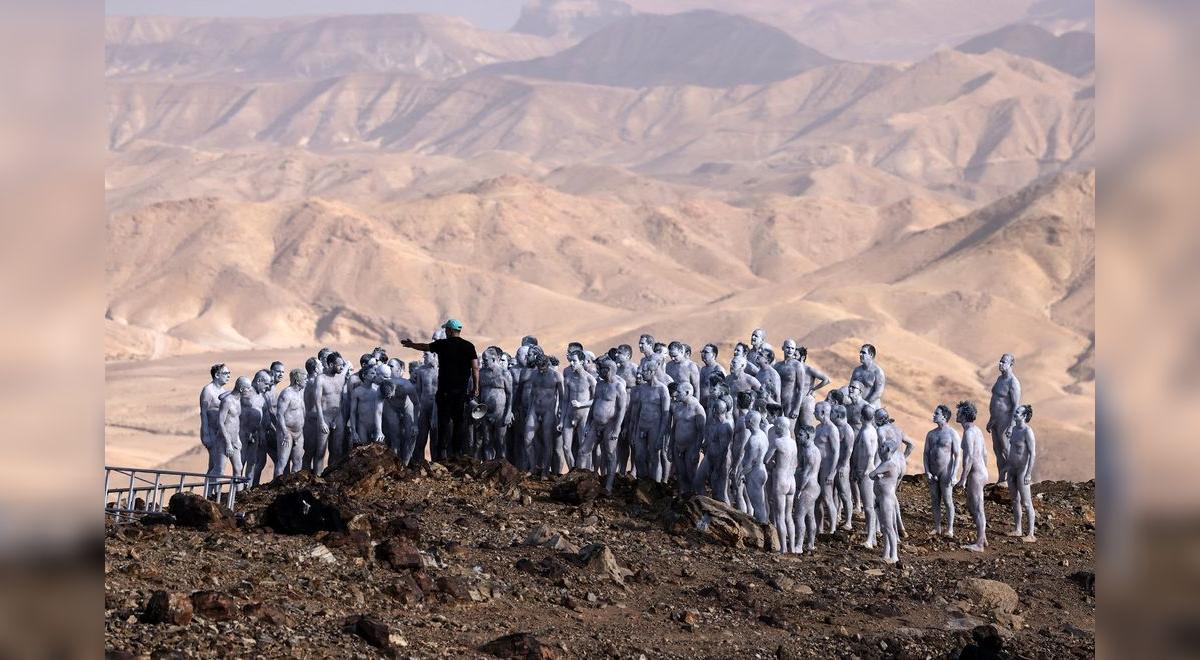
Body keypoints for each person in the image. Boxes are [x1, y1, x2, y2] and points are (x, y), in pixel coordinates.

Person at [401, 319, 480, 461]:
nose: (445, 332)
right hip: (460, 393)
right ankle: (457, 453)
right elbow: (475, 368)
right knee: (458, 422)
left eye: (446, 330)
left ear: (449, 331)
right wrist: (476, 387)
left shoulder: (442, 344)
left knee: (443, 422)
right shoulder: (469, 346)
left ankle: (442, 453)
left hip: (444, 392)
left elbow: (424, 347)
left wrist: (411, 345)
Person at [577, 358, 629, 493]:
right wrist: (588, 423)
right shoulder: (599, 384)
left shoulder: (618, 387)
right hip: (595, 424)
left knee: (610, 454)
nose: (599, 371)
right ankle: (580, 482)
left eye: (601, 369)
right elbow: (594, 404)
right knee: (583, 451)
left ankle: (608, 486)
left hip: (610, 425)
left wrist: (616, 430)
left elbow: (622, 410)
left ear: (609, 370)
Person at [762, 403, 797, 553]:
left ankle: (783, 548)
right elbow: (795, 463)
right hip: (791, 481)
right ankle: (793, 547)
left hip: (781, 481)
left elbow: (766, 460)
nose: (774, 428)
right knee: (789, 516)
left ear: (781, 427)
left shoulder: (777, 442)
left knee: (780, 516)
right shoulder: (793, 443)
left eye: (776, 426)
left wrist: (773, 466)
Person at [923, 404, 962, 537]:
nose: (934, 415)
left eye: (937, 414)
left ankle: (950, 529)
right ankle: (937, 527)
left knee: (947, 500)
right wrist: (927, 471)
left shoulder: (952, 434)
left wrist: (954, 474)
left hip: (946, 471)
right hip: (933, 471)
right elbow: (926, 453)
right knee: (935, 500)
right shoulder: (931, 434)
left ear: (944, 417)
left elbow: (957, 455)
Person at [955, 400, 989, 552]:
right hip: (980, 472)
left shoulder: (969, 433)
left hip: (975, 473)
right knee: (970, 504)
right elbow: (985, 453)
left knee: (978, 507)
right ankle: (983, 537)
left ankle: (979, 544)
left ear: (964, 415)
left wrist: (963, 479)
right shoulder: (976, 430)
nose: (956, 414)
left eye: (959, 412)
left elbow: (968, 458)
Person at [986, 353, 1022, 482]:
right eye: (1000, 361)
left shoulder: (1013, 382)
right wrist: (991, 419)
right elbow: (996, 400)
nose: (1000, 364)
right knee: (997, 450)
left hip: (1006, 420)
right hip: (995, 420)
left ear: (1011, 364)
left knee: (1006, 449)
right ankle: (1002, 478)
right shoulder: (999, 379)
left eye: (1004, 362)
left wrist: (1011, 426)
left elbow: (1016, 405)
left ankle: (1014, 478)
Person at [1007, 404, 1038, 542]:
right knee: (1015, 500)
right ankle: (1018, 529)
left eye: (1018, 412)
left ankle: (1031, 534)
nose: (1015, 414)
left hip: (1022, 470)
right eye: (1015, 411)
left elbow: (1032, 454)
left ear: (1024, 416)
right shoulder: (1014, 429)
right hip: (1012, 468)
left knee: (1026, 502)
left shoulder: (1027, 431)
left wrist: (1028, 473)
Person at [199, 363, 230, 483]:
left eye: (229, 373)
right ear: (217, 375)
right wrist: (206, 434)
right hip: (210, 431)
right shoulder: (208, 390)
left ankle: (209, 490)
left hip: (219, 432)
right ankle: (212, 490)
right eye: (225, 373)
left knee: (213, 465)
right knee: (217, 465)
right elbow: (203, 413)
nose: (228, 376)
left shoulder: (223, 390)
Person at [275, 369, 307, 477]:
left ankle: (293, 484)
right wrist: (284, 432)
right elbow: (279, 414)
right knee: (282, 461)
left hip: (299, 432)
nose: (306, 380)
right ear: (297, 381)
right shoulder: (286, 394)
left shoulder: (300, 392)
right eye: (304, 379)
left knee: (298, 461)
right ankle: (276, 485)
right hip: (287, 432)